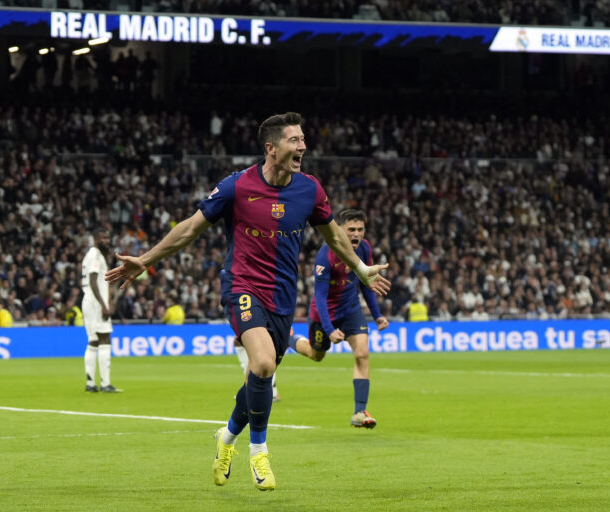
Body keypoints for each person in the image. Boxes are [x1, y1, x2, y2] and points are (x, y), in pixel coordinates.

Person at [105, 112, 391, 491]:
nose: (303, 146)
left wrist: (360, 267)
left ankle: (226, 438)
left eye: (303, 139)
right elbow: (189, 229)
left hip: (282, 297)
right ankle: (259, 452)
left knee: (259, 374)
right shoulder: (237, 186)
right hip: (242, 287)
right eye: (294, 140)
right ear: (271, 148)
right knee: (263, 362)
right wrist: (145, 259)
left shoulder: (309, 189)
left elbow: (334, 236)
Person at [289, 208, 390, 428]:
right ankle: (289, 338)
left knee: (362, 353)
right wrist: (329, 329)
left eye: (360, 229)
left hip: (351, 310)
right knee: (316, 355)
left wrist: (377, 315)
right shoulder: (325, 256)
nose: (356, 234)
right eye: (351, 229)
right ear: (340, 229)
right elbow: (320, 297)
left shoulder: (364, 249)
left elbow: (367, 283)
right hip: (324, 314)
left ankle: (359, 412)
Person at [82, 227, 121, 393]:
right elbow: (93, 281)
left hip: (90, 302)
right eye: (103, 238)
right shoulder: (95, 255)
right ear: (95, 239)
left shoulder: (95, 255)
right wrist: (103, 305)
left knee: (94, 341)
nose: (106, 241)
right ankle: (105, 384)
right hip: (95, 303)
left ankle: (91, 383)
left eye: (108, 238)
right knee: (105, 338)